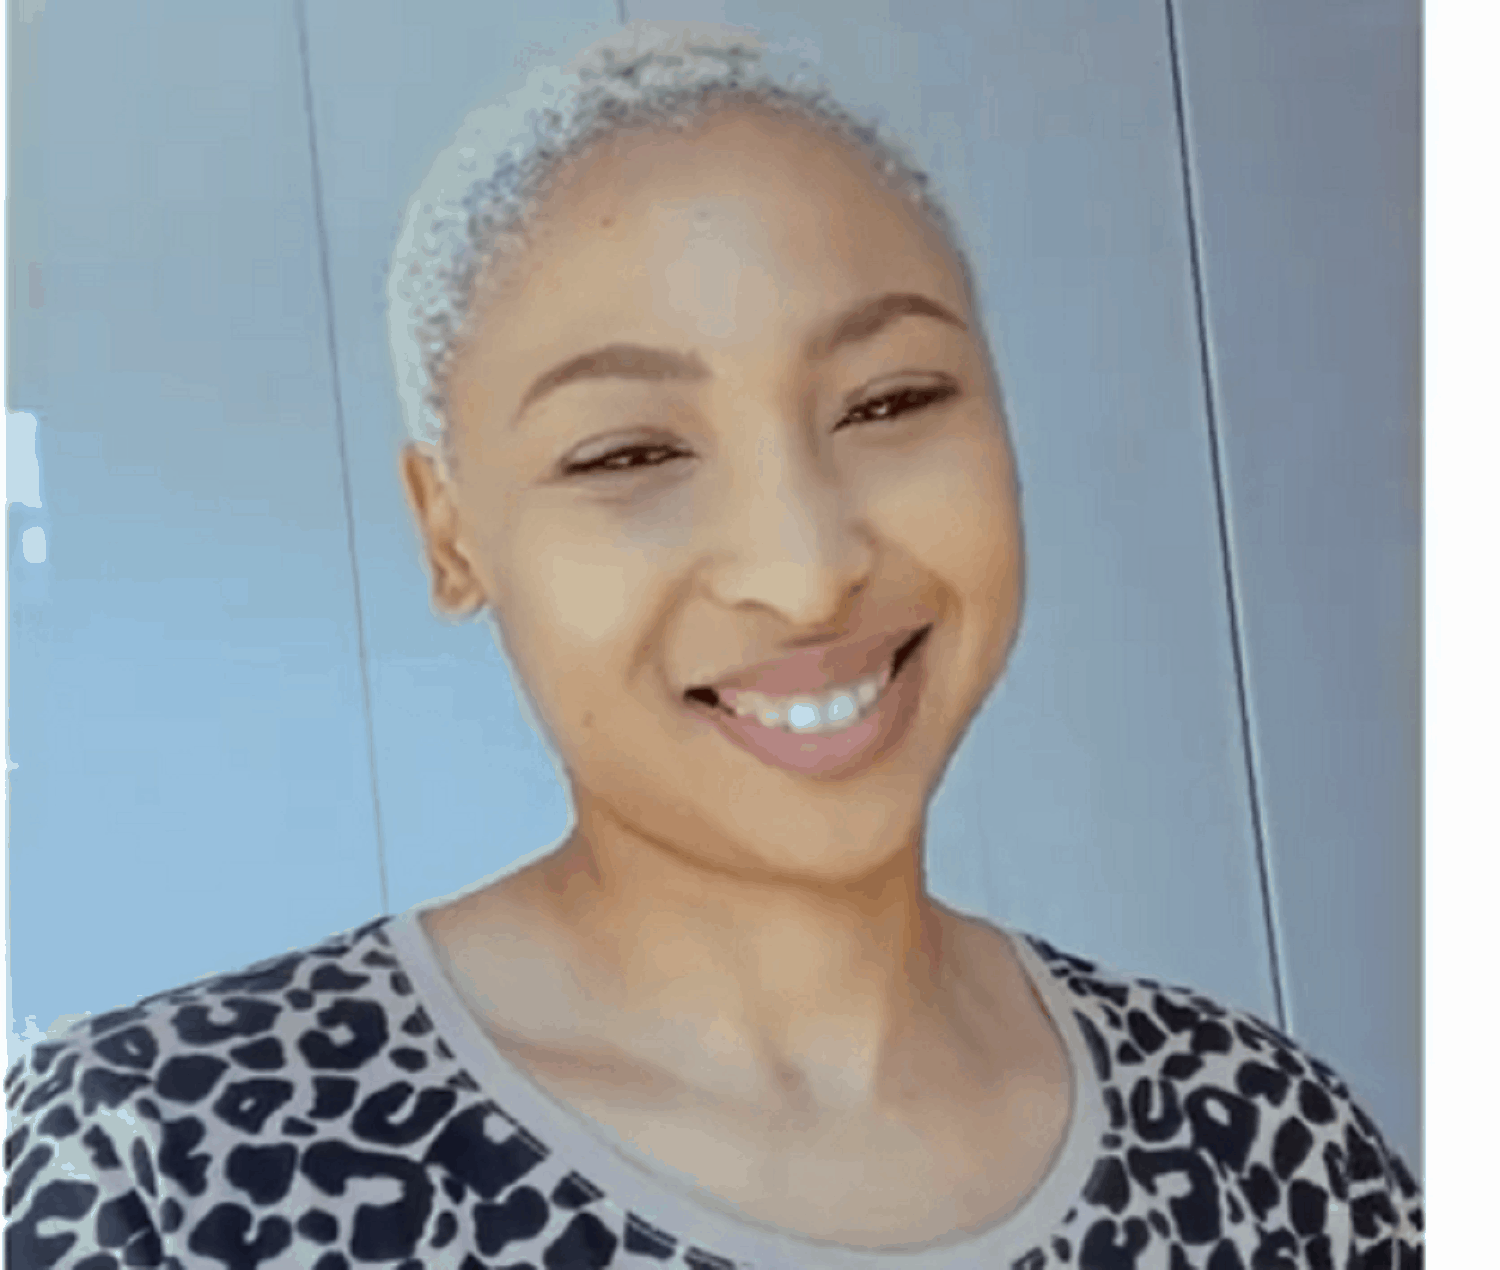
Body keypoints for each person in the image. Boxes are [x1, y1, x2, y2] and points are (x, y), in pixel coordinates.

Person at [5, 23, 1420, 1269]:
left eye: (890, 401)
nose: (805, 572)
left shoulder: (1269, 1145)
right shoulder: (163, 1164)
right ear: (451, 534)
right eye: (630, 452)